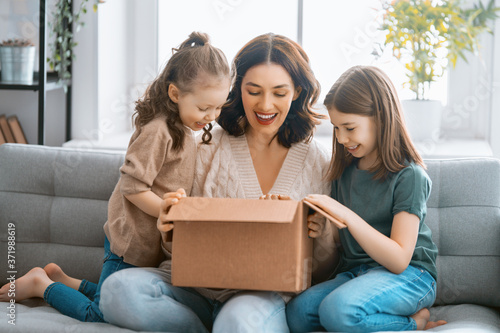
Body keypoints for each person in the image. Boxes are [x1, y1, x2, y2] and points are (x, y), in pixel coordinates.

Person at [98, 33, 338, 333]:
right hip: (192, 288)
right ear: (235, 91)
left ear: (297, 92)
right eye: (254, 91)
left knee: (236, 323)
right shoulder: (204, 146)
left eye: (279, 92)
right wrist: (170, 228)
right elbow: (171, 238)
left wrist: (321, 231)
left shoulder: (316, 162)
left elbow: (325, 268)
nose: (265, 104)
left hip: (257, 298)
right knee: (117, 291)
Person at [0, 31, 231, 323]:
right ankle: (41, 284)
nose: (211, 116)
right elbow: (132, 186)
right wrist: (165, 209)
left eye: (218, 108)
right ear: (175, 94)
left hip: (147, 246)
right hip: (129, 243)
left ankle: (65, 280)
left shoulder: (185, 130)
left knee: (125, 298)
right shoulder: (158, 131)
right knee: (102, 312)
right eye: (203, 107)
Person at [285, 65, 447, 332]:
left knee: (337, 311)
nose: (341, 138)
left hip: (410, 276)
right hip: (358, 273)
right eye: (336, 128)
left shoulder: (409, 176)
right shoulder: (345, 172)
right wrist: (326, 230)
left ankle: (414, 324)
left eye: (349, 127)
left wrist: (345, 215)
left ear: (381, 119)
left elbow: (398, 259)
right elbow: (343, 245)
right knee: (298, 312)